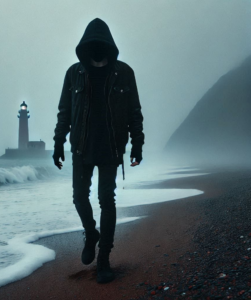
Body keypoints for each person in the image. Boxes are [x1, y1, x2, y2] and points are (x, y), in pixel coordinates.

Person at [52, 18, 145, 284]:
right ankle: (91, 233)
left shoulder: (124, 72)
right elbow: (65, 112)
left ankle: (103, 258)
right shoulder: (74, 73)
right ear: (84, 47)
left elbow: (134, 112)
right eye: (91, 45)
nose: (96, 49)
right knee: (80, 198)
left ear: (109, 46)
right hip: (81, 148)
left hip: (111, 148)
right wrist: (58, 142)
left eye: (100, 44)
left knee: (107, 200)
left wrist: (137, 143)